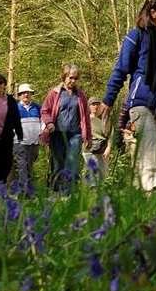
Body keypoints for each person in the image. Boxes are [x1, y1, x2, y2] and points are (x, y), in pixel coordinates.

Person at [100, 0, 156, 192]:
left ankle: (138, 193)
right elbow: (121, 69)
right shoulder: (137, 36)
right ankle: (152, 194)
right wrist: (108, 99)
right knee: (149, 148)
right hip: (140, 102)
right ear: (153, 13)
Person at [41, 63, 91, 192]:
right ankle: (56, 191)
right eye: (70, 77)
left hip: (75, 134)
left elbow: (85, 117)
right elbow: (45, 111)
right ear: (64, 77)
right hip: (57, 133)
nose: (73, 81)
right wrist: (49, 123)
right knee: (58, 163)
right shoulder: (54, 93)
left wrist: (88, 137)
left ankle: (69, 193)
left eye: (75, 78)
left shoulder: (80, 95)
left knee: (72, 163)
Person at [14, 83, 41, 193]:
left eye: (28, 93)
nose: (26, 95)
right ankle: (25, 192)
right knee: (22, 167)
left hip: (34, 143)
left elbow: (43, 122)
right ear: (19, 95)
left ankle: (27, 191)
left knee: (29, 167)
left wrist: (43, 134)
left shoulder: (38, 107)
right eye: (23, 93)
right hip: (19, 143)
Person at [84, 97, 111, 180]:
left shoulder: (105, 119)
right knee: (91, 174)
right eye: (93, 104)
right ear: (89, 106)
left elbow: (111, 134)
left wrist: (109, 148)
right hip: (88, 149)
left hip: (103, 150)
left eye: (97, 104)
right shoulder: (85, 120)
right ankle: (90, 191)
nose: (95, 106)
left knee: (103, 175)